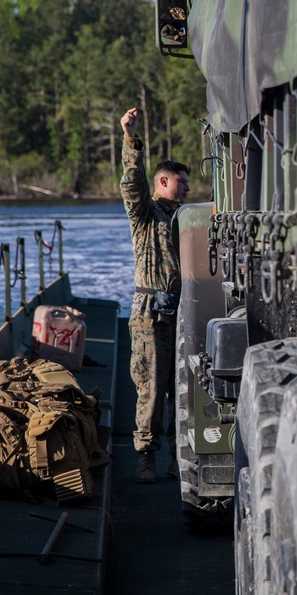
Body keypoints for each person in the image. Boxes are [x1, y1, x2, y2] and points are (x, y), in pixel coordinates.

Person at [119, 107, 190, 483]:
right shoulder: (147, 216)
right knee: (150, 386)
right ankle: (146, 456)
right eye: (180, 181)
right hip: (150, 311)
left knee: (183, 389)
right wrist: (131, 141)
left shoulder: (187, 220)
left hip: (183, 312)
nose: (187, 187)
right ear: (162, 182)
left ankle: (181, 461)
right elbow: (131, 185)